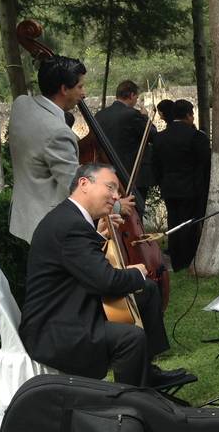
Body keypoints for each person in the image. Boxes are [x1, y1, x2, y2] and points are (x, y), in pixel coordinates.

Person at [19, 164, 185, 387]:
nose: (116, 196)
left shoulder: (71, 217)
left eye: (117, 190)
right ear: (84, 184)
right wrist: (136, 273)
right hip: (56, 329)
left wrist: (97, 237)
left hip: (70, 307)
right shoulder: (70, 225)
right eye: (110, 187)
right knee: (130, 338)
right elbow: (106, 281)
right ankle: (129, 405)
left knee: (148, 290)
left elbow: (77, 262)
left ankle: (147, 373)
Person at [8, 55, 86, 244]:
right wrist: (116, 206)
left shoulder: (21, 105)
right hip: (49, 229)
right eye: (80, 87)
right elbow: (74, 187)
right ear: (63, 89)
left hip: (22, 218)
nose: (84, 94)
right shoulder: (58, 133)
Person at [152, 99, 211, 271]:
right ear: (188, 115)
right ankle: (188, 258)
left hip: (169, 187)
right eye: (192, 114)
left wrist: (162, 182)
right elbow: (205, 163)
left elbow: (156, 165)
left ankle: (176, 259)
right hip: (191, 188)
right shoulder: (196, 136)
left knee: (173, 222)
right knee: (189, 224)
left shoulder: (160, 138)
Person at [94, 80, 157, 206]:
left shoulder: (99, 115)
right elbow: (152, 135)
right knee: (134, 212)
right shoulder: (132, 114)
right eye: (136, 97)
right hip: (132, 174)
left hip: (107, 173)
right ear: (132, 95)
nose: (136, 100)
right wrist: (145, 117)